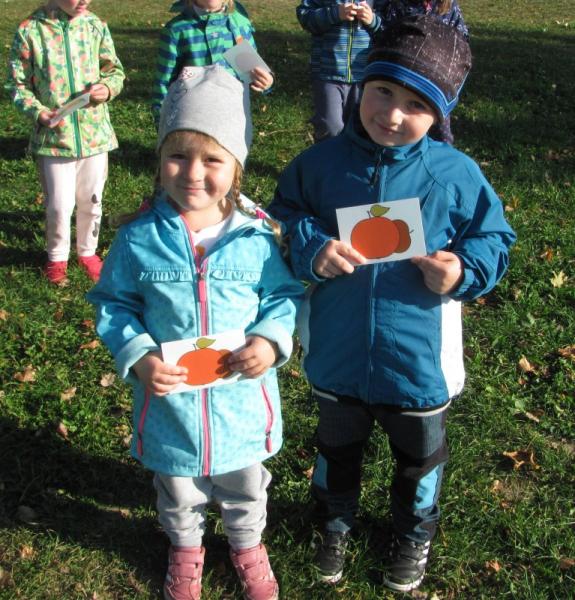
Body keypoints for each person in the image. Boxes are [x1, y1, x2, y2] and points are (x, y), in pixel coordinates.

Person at [268, 15, 516, 593]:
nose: (393, 114)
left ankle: (412, 531)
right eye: (383, 91)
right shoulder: (319, 165)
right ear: (361, 85)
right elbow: (279, 218)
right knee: (337, 445)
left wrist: (463, 269)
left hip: (418, 362)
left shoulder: (455, 174)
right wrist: (311, 247)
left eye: (416, 104)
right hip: (338, 351)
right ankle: (334, 520)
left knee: (418, 458)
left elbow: (493, 237)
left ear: (440, 115)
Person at [88, 65, 303, 600]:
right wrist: (140, 355)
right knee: (178, 486)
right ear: (159, 158)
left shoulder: (255, 237)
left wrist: (269, 340)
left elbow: (283, 296)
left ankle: (246, 543)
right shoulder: (139, 238)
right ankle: (185, 548)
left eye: (212, 159)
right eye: (178, 155)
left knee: (246, 484)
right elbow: (114, 303)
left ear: (237, 166)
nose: (192, 173)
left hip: (240, 404)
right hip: (172, 407)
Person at [5, 0, 125, 284]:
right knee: (59, 205)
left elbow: (114, 71)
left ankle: (87, 252)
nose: (84, 1)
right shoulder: (31, 30)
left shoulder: (95, 26)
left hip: (94, 135)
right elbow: (17, 84)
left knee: (92, 200)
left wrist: (107, 88)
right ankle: (57, 257)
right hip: (54, 139)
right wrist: (38, 112)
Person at [151, 0, 273, 125]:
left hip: (233, 116)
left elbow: (251, 71)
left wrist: (265, 82)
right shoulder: (176, 30)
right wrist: (161, 121)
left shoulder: (239, 25)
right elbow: (164, 82)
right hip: (191, 117)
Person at [296, 0, 388, 142]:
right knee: (330, 126)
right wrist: (335, 13)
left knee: (359, 128)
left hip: (363, 75)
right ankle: (325, 154)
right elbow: (305, 17)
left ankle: (352, 155)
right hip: (327, 72)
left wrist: (373, 21)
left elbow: (387, 29)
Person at [378, 0, 468, 143]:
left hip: (436, 82)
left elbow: (461, 39)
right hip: (403, 75)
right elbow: (385, 33)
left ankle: (440, 153)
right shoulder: (399, 5)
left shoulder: (448, 6)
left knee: (440, 129)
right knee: (396, 121)